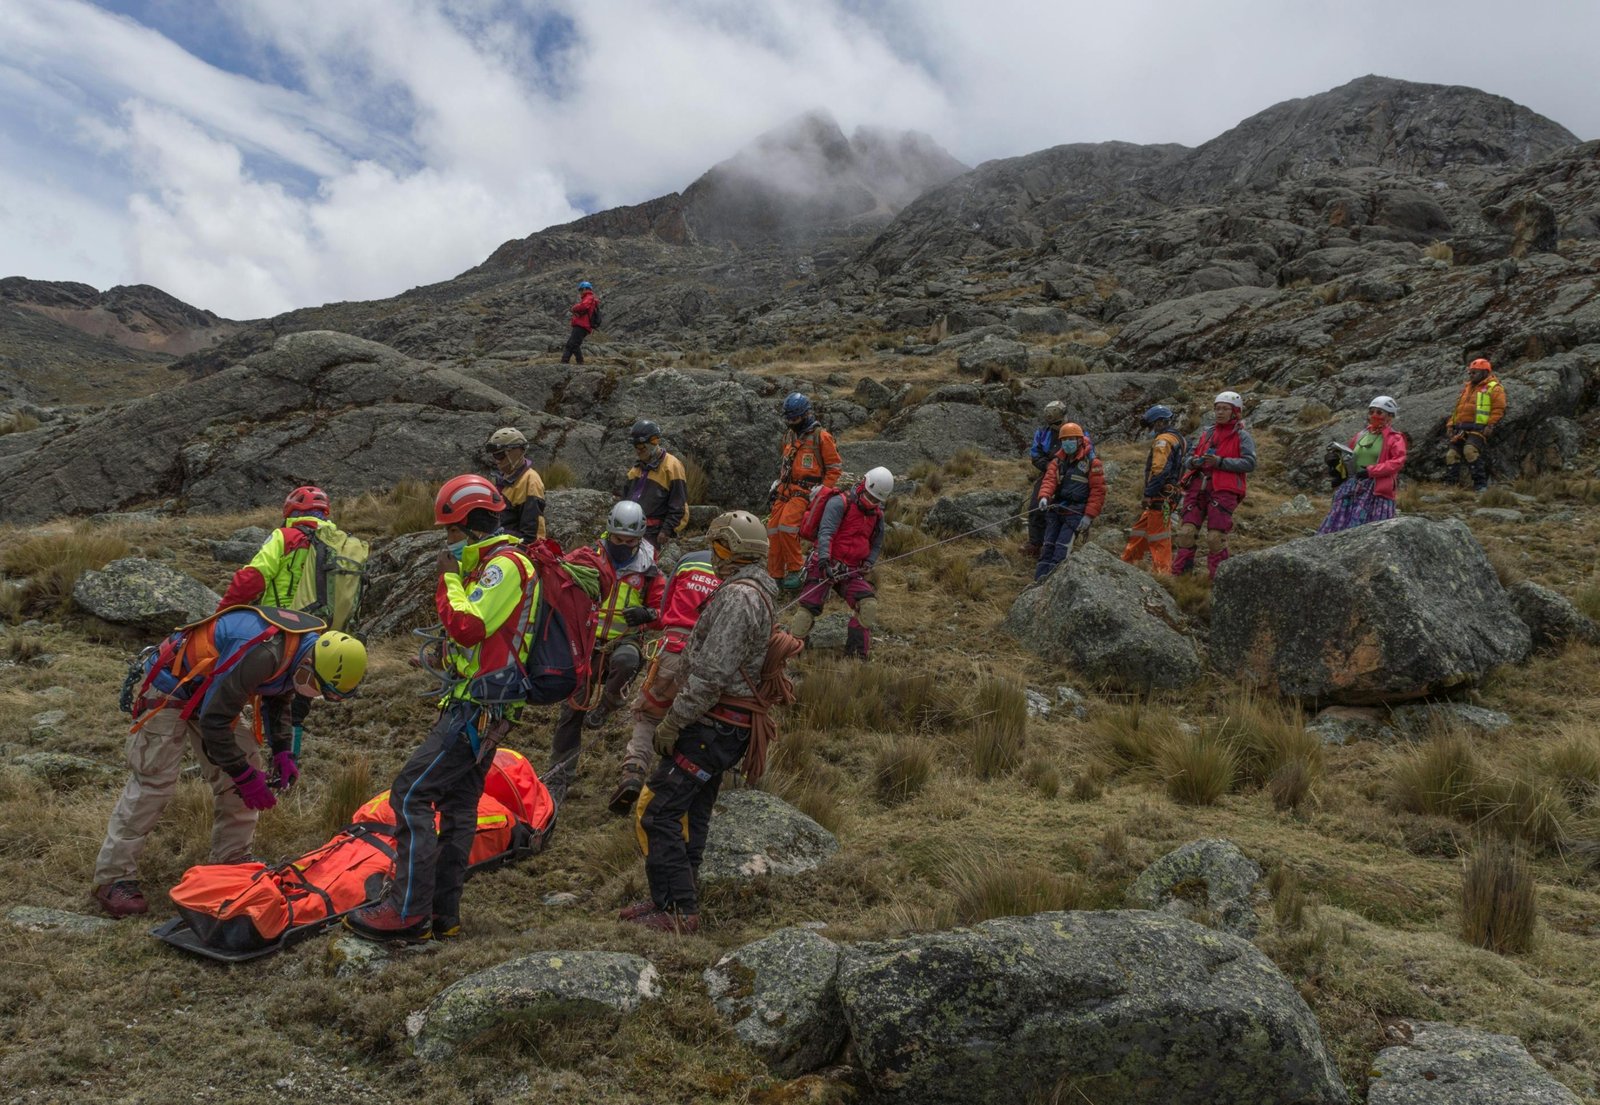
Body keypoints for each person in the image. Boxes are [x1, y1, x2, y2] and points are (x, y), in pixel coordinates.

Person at [346, 475, 540, 942]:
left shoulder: (505, 566)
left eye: (450, 531)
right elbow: (481, 642)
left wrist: (448, 576)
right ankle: (443, 915)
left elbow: (470, 625)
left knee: (411, 794)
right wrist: (439, 658)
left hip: (475, 710)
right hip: (482, 706)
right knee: (457, 807)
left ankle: (407, 912)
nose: (447, 541)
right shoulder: (495, 565)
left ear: (470, 526)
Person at [91, 609, 367, 917]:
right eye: (317, 688)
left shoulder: (302, 655)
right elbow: (215, 723)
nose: (314, 695)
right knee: (154, 782)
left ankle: (231, 863)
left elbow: (279, 697)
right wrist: (244, 777)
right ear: (309, 664)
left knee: (247, 764)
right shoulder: (263, 653)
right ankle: (113, 878)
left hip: (212, 693)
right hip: (171, 686)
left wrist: (282, 751)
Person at [623, 510, 777, 934]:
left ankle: (676, 909)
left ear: (730, 549)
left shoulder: (738, 597)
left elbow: (711, 673)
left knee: (658, 808)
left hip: (713, 725)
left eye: (717, 545)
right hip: (725, 726)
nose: (712, 552)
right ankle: (673, 898)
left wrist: (673, 722)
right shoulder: (750, 591)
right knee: (693, 809)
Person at [549, 501, 666, 775]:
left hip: (623, 641)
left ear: (639, 539)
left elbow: (665, 612)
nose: (622, 545)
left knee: (628, 660)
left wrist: (647, 613)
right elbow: (558, 582)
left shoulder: (649, 571)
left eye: (629, 541)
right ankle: (559, 772)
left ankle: (608, 704)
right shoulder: (587, 558)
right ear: (608, 533)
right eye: (617, 539)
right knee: (571, 710)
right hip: (585, 642)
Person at [608, 547, 722, 814]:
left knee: (647, 715)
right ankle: (670, 784)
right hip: (709, 659)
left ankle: (633, 772)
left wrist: (645, 622)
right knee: (692, 724)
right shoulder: (737, 575)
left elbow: (662, 611)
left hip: (672, 651)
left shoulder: (687, 561)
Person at [789, 467, 892, 659]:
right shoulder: (839, 502)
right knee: (808, 609)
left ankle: (854, 659)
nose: (873, 502)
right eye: (871, 497)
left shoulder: (877, 515)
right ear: (863, 485)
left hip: (851, 571)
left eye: (877, 500)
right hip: (823, 563)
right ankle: (789, 655)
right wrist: (825, 563)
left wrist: (869, 561)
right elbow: (826, 532)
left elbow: (877, 544)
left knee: (868, 605)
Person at [1173, 391, 1257, 579]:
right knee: (1185, 533)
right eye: (1217, 408)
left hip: (1224, 491)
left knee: (1215, 538)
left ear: (1235, 412)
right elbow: (1188, 459)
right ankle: (1180, 580)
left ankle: (1217, 582)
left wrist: (1220, 462)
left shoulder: (1242, 436)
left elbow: (1250, 463)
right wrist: (1195, 462)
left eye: (1225, 409)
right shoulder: (1206, 433)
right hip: (1197, 488)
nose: (1220, 412)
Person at [766, 392, 842, 590]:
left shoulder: (821, 438)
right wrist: (778, 481)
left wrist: (823, 491)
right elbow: (787, 462)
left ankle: (795, 569)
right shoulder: (790, 435)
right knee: (773, 529)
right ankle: (775, 575)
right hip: (785, 490)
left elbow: (834, 468)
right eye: (788, 418)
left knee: (787, 527)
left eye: (795, 418)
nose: (791, 422)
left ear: (806, 414)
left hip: (805, 492)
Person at [1318, 396, 1408, 534]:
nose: (1374, 415)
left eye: (1379, 412)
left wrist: (1372, 471)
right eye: (1371, 412)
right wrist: (1337, 465)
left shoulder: (1395, 438)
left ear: (1390, 416)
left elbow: (1397, 462)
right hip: (1354, 483)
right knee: (1338, 514)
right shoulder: (1361, 435)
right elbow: (1351, 456)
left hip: (1376, 489)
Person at [1034, 424, 1106, 581]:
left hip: (1075, 513)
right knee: (1047, 546)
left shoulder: (1092, 464)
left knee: (1061, 548)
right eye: (1064, 440)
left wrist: (1089, 516)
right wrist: (1044, 497)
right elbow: (1049, 480)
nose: (1067, 443)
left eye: (1071, 439)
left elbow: (1098, 492)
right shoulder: (1057, 462)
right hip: (1056, 510)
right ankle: (1038, 582)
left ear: (1079, 440)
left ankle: (1053, 583)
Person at [1121, 406, 1187, 574]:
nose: (1150, 430)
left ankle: (1162, 573)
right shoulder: (1179, 438)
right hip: (1171, 493)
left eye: (1151, 426)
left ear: (1159, 422)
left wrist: (1148, 494)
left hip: (1160, 495)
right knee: (1140, 530)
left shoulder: (1163, 441)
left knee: (1159, 537)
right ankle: (1127, 562)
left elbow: (1159, 469)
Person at [621, 419, 689, 549]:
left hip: (654, 533)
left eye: (641, 447)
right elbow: (624, 501)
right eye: (635, 447)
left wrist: (666, 530)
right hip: (629, 530)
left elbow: (679, 504)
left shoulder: (672, 466)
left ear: (654, 442)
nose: (638, 451)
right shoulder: (635, 470)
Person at [1443, 357, 1506, 492]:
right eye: (1470, 372)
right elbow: (1458, 409)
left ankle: (1480, 486)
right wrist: (1450, 424)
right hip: (1460, 429)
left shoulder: (1494, 388)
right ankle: (1451, 486)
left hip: (1479, 429)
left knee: (1469, 451)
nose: (1471, 375)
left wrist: (1490, 425)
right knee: (1451, 455)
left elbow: (1498, 409)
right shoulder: (1467, 388)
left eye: (1474, 372)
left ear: (1485, 372)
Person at [484, 427, 547, 541]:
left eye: (500, 455)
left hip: (515, 551)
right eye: (494, 456)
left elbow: (531, 535)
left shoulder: (530, 481)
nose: (497, 460)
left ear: (514, 452)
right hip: (499, 545)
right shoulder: (501, 479)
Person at [1024, 400, 1067, 558]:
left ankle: (1058, 544)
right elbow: (1035, 455)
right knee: (1036, 505)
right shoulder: (1042, 432)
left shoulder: (1075, 431)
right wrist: (1049, 467)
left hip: (1070, 474)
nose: (1056, 425)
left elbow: (1088, 453)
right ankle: (1035, 543)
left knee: (1064, 508)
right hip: (1048, 473)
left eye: (1058, 422)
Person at [561, 280, 599, 365]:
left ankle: (578, 362)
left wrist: (574, 308)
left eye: (581, 290)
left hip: (582, 325)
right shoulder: (589, 298)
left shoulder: (589, 297)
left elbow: (583, 306)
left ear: (585, 289)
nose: (580, 292)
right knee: (571, 344)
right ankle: (565, 361)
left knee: (573, 344)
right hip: (582, 325)